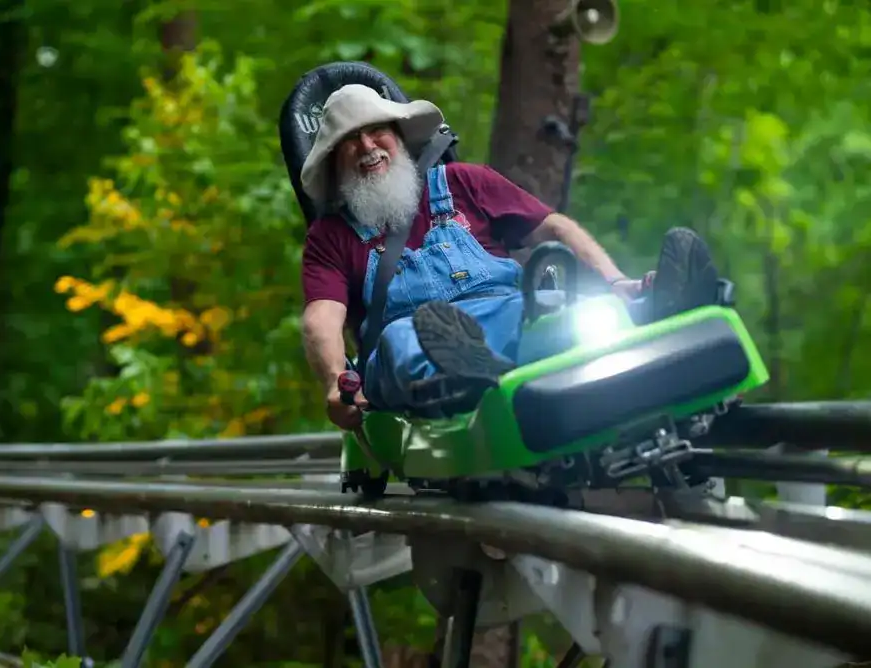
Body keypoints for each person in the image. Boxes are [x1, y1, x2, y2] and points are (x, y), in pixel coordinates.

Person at [299, 84, 718, 431]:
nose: (367, 146)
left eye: (376, 131)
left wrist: (615, 282)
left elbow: (556, 228)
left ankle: (658, 315)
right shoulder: (330, 237)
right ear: (336, 163)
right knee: (402, 342)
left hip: (510, 316)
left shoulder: (464, 183)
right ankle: (465, 379)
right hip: (412, 342)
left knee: (570, 310)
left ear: (399, 136)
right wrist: (336, 383)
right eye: (350, 141)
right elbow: (322, 318)